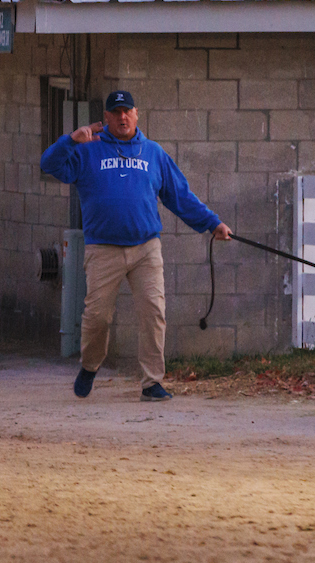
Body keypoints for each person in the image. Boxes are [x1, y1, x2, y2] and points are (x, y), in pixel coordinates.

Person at [41, 89, 231, 402]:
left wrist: (212, 224)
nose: (122, 117)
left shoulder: (153, 153)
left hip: (146, 248)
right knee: (97, 317)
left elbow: (180, 196)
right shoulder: (87, 150)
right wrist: (71, 140)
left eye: (127, 111)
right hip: (103, 248)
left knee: (153, 313)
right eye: (115, 113)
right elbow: (48, 164)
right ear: (106, 118)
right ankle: (89, 366)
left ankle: (152, 382)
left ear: (137, 114)